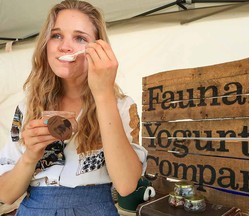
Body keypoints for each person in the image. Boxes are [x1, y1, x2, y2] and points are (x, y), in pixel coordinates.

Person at [0, 0, 147, 215]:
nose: (64, 46)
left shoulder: (121, 106)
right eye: (56, 35)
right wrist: (31, 155)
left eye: (80, 38)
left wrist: (103, 93)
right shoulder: (27, 107)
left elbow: (126, 186)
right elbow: (5, 195)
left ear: (98, 48)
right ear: (45, 44)